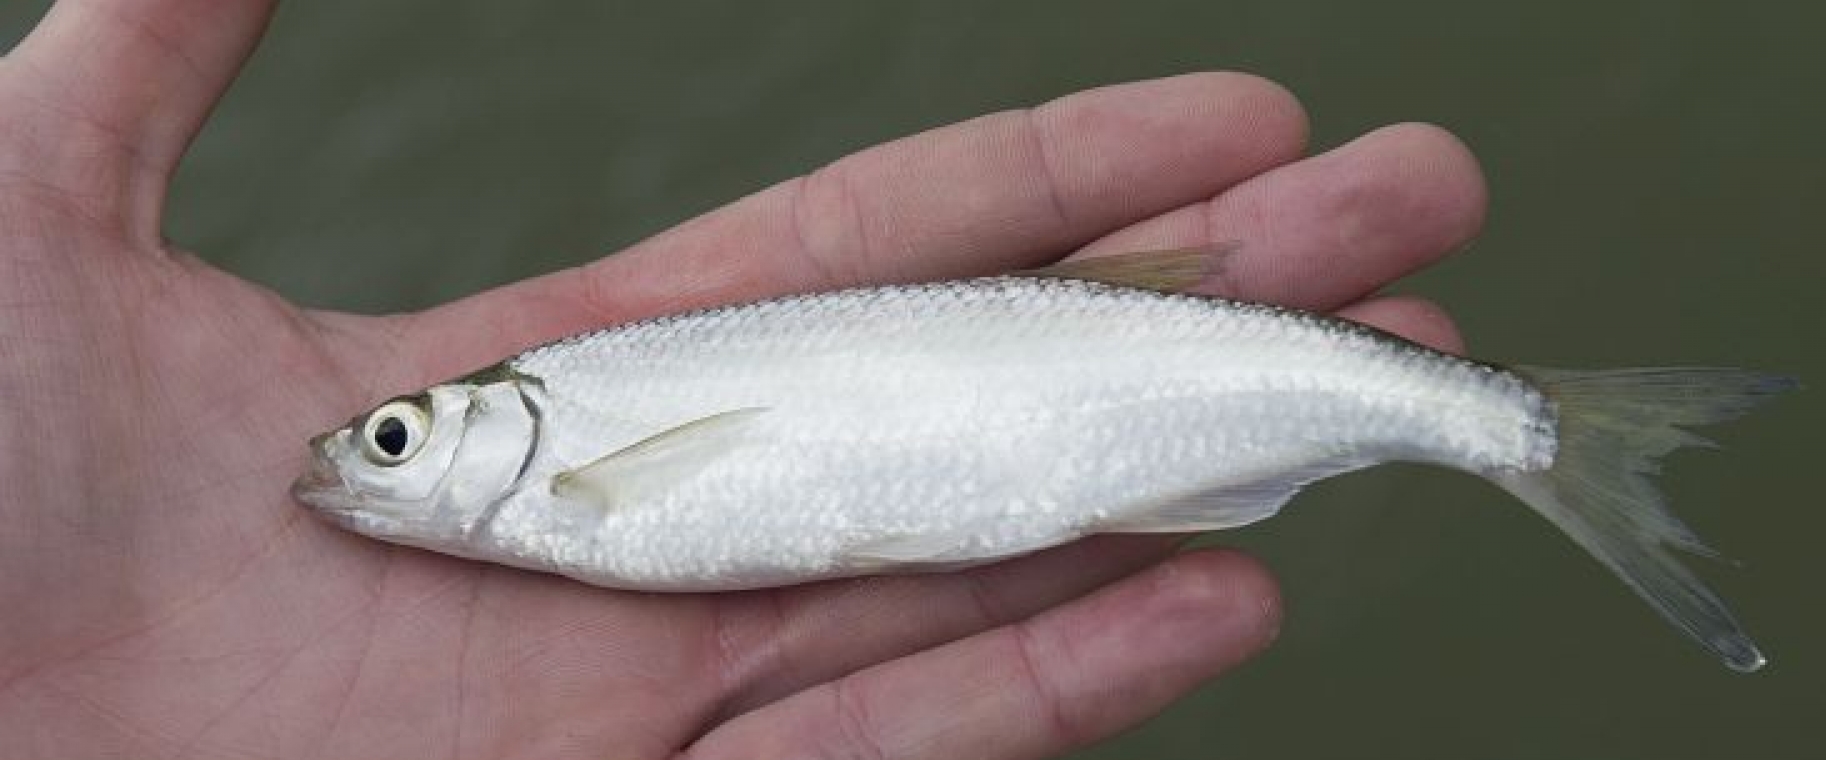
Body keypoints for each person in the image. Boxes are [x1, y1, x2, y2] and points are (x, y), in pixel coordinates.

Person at [0, 1, 1487, 757]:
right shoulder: (544, 482)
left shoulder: (560, 467)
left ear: (492, 429)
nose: (352, 464)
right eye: (388, 438)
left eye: (393, 439)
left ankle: (1481, 426)